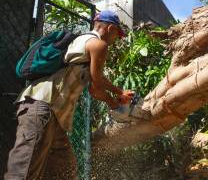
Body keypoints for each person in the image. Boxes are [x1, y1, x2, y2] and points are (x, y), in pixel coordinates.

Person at [4, 10, 133, 180]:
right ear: (110, 28)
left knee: (64, 170)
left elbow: (97, 82)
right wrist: (116, 104)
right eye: (118, 34)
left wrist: (119, 92)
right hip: (42, 108)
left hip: (56, 117)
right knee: (23, 171)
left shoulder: (83, 42)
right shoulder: (98, 45)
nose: (116, 39)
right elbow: (97, 86)